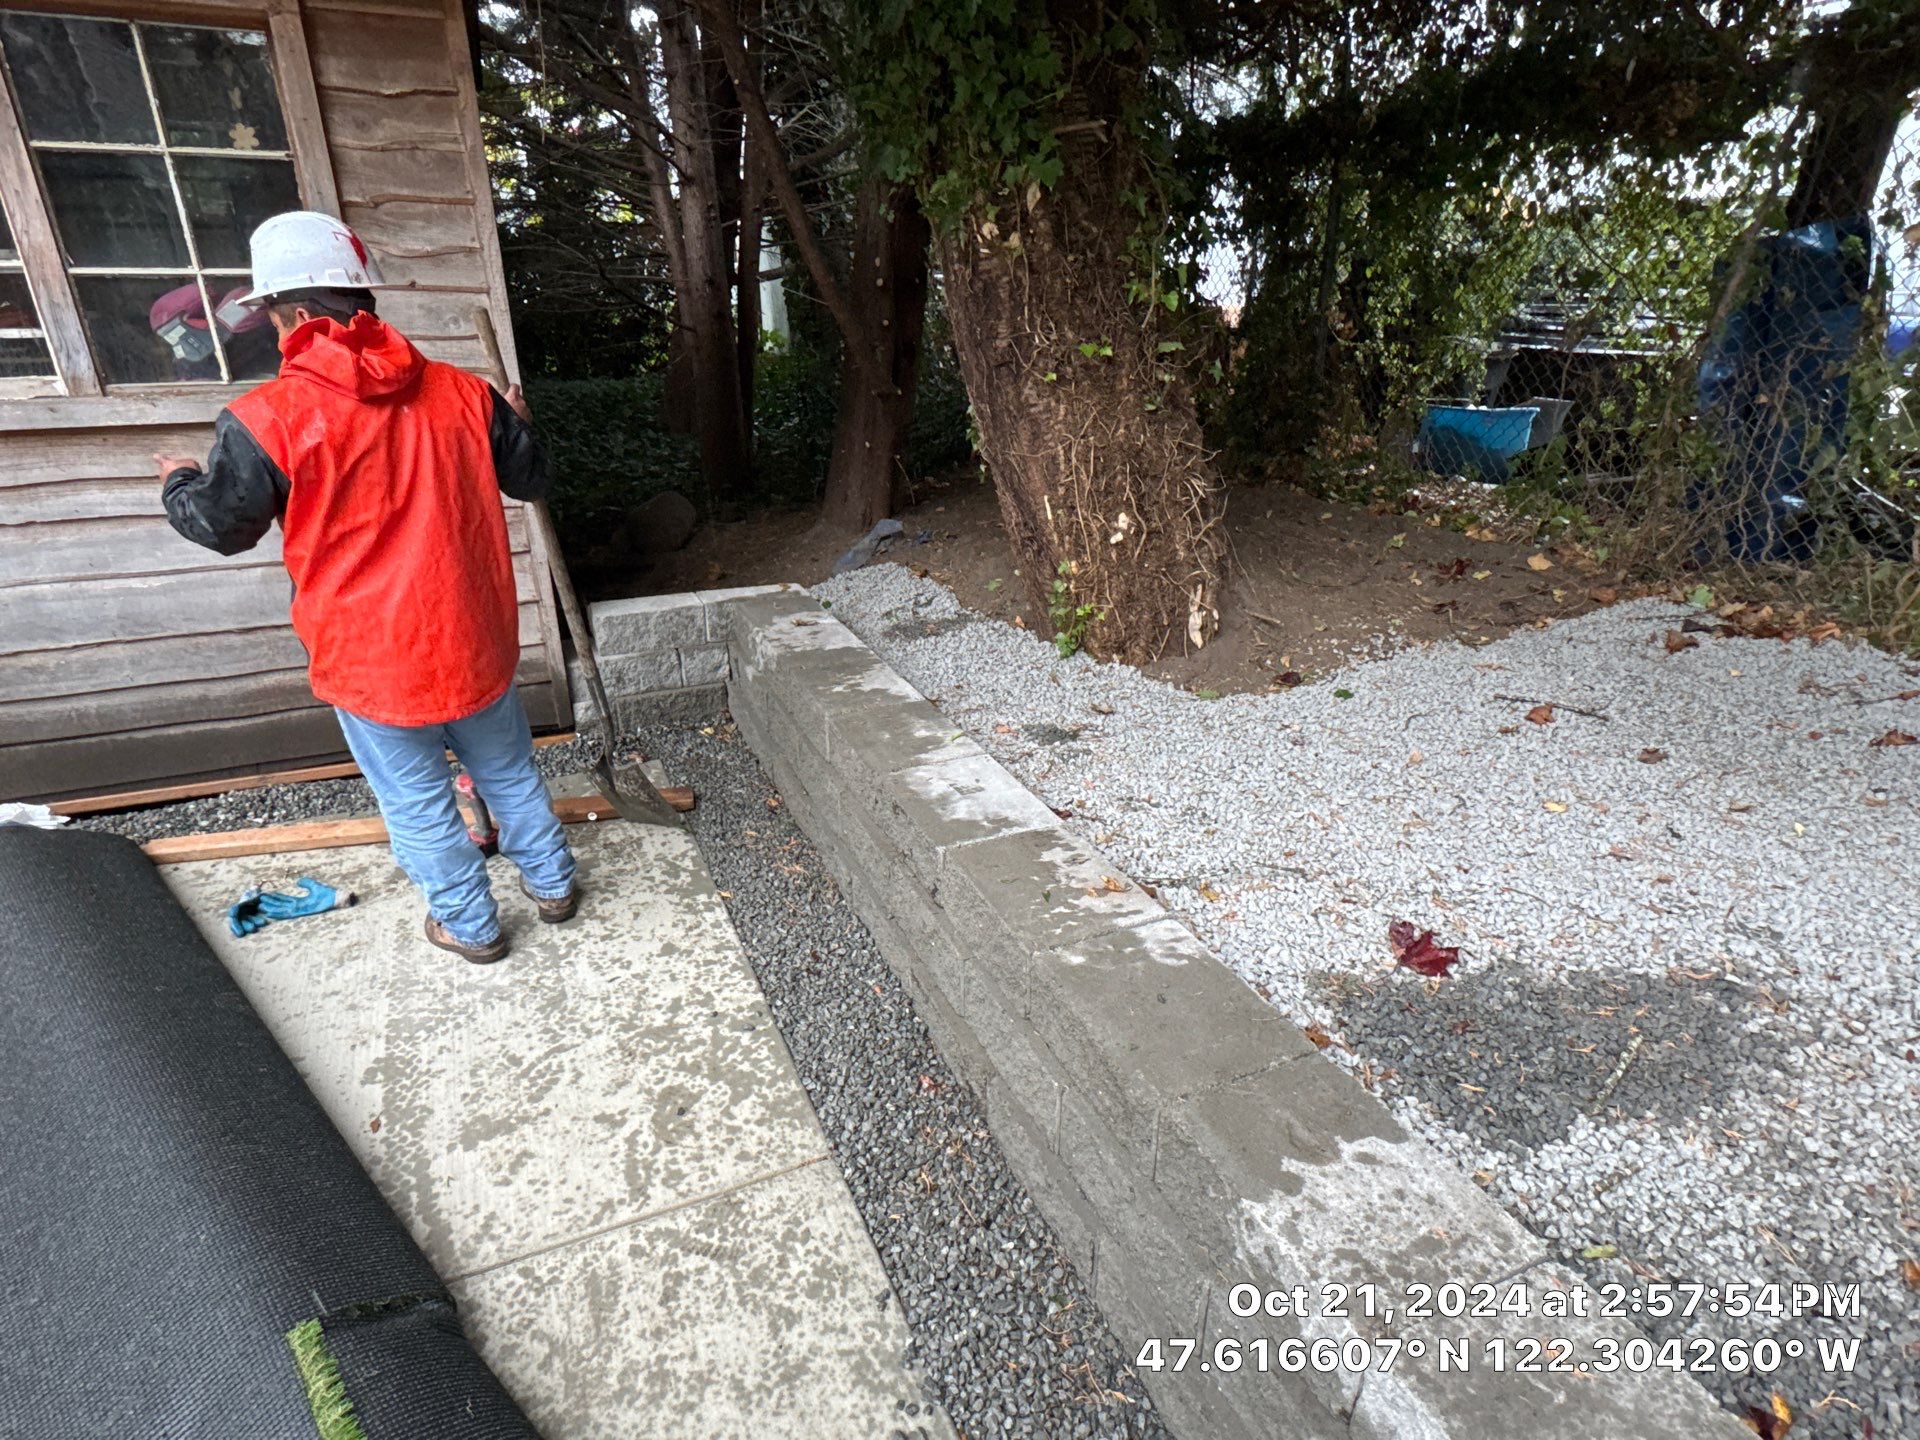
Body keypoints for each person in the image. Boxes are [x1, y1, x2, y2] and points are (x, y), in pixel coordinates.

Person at [158, 211, 575, 963]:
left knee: (417, 801)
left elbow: (222, 525)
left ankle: (472, 929)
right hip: (474, 636)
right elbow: (533, 478)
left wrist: (179, 482)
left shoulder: (266, 419)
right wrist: (519, 423)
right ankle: (553, 887)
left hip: (371, 659)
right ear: (365, 304)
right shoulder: (464, 394)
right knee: (508, 768)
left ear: (289, 315)